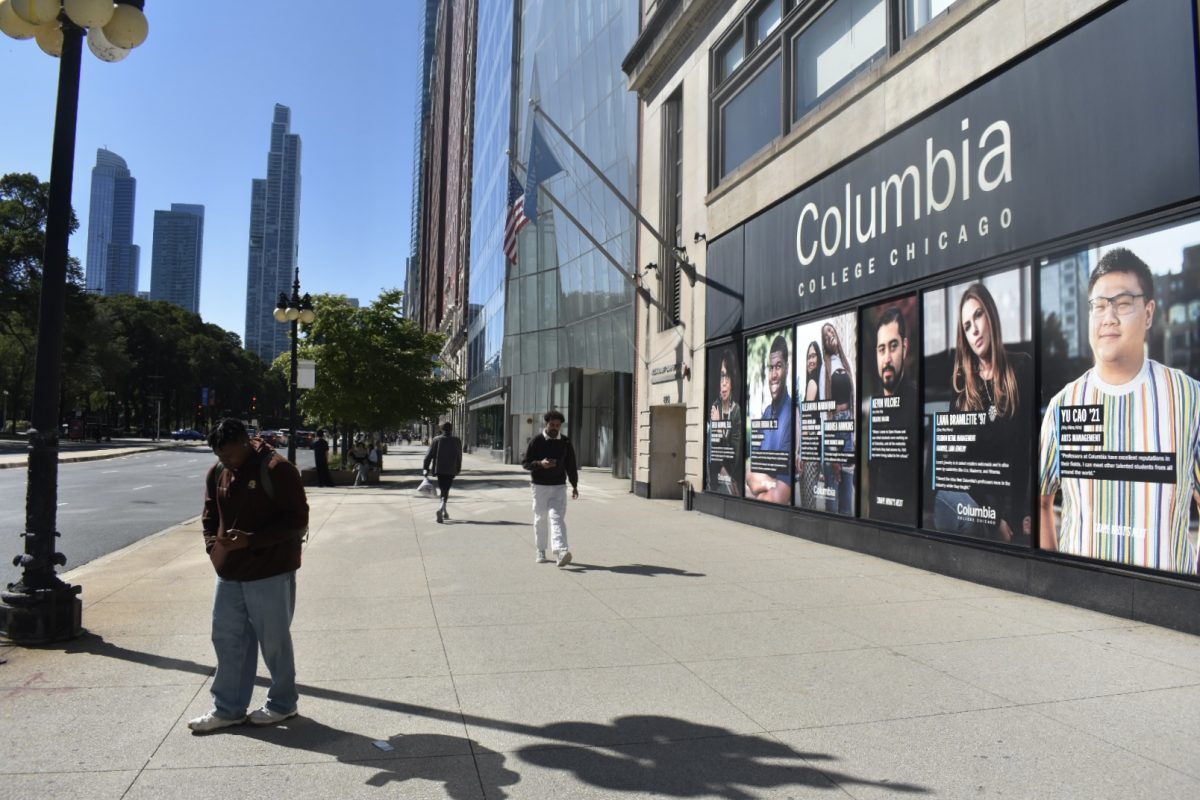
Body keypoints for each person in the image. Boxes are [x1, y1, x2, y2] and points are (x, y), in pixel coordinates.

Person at [1039, 248, 1200, 573]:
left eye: (1123, 303)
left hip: (1166, 609)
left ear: (1149, 312)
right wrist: (1057, 577)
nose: (1108, 316)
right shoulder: (1063, 405)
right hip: (1078, 603)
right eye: (1099, 306)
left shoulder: (1188, 398)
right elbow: (1042, 499)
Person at [188, 418, 309, 733]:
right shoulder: (218, 472)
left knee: (274, 641)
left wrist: (251, 540)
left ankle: (283, 704)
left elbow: (297, 522)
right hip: (230, 572)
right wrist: (213, 546)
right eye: (219, 456)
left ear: (245, 442)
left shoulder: (277, 469)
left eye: (228, 454)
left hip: (270, 571)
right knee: (227, 640)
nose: (224, 461)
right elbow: (209, 513)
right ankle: (228, 708)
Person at [939, 282, 1032, 543]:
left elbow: (1028, 448)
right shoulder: (962, 389)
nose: (975, 329)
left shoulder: (1021, 368)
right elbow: (956, 465)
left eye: (978, 315)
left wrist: (1025, 511)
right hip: (978, 507)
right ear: (964, 337)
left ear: (990, 314)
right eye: (967, 326)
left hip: (1016, 507)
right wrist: (991, 518)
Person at [867, 306, 918, 522]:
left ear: (905, 348)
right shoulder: (875, 404)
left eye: (893, 346)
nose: (887, 358)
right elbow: (872, 470)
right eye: (881, 349)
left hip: (907, 520)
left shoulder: (916, 401)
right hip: (878, 516)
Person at [521, 410, 579, 566]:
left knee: (557, 517)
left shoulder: (565, 442)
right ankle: (540, 549)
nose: (555, 428)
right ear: (546, 424)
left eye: (558, 425)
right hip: (539, 486)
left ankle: (561, 551)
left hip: (559, 486)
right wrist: (540, 464)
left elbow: (571, 466)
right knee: (540, 519)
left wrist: (574, 485)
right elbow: (526, 464)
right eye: (552, 424)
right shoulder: (536, 441)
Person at [745, 335, 793, 504]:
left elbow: (780, 496)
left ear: (787, 368)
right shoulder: (766, 413)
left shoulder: (792, 414)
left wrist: (758, 487)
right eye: (770, 368)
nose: (773, 374)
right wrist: (772, 483)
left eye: (778, 367)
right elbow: (750, 474)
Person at [708, 351, 743, 495]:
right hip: (717, 482)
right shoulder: (715, 407)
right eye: (722, 375)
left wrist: (718, 427)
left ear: (732, 380)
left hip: (731, 480)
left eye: (727, 376)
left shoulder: (736, 411)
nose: (724, 382)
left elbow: (734, 456)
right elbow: (713, 454)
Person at [797, 340, 823, 509]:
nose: (811, 360)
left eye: (814, 356)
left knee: (808, 501)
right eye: (808, 357)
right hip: (814, 450)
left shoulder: (812, 383)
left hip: (810, 451)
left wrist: (802, 454)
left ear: (819, 359)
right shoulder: (817, 383)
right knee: (809, 499)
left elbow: (807, 421)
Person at [423, 421, 463, 523]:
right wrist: (458, 468)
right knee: (446, 490)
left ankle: (443, 511)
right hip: (451, 469)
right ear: (451, 429)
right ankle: (441, 509)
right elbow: (459, 456)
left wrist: (425, 468)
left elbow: (428, 455)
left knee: (443, 489)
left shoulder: (436, 440)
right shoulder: (457, 440)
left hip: (439, 469)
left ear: (442, 429)